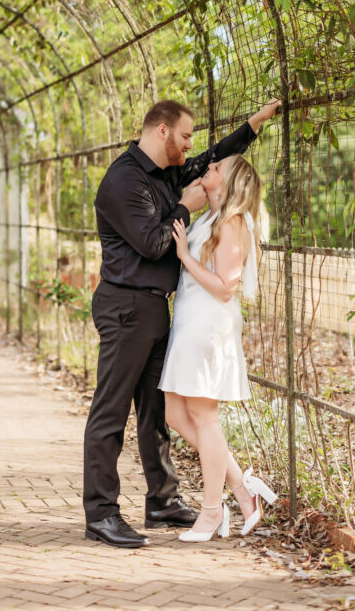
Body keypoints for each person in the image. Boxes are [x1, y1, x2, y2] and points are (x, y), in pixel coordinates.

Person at [83, 97, 281, 548]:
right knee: (111, 410)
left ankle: (163, 501)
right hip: (125, 306)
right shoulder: (123, 182)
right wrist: (185, 207)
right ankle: (101, 512)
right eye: (186, 136)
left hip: (157, 308)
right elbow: (155, 244)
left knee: (157, 412)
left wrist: (253, 124)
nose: (192, 146)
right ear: (162, 132)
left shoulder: (165, 173)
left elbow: (216, 157)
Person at [160, 155, 278, 542]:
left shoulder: (232, 222)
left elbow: (226, 286)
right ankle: (243, 489)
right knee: (176, 413)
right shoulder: (211, 218)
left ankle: (212, 512)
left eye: (218, 167)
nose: (210, 165)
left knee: (203, 417)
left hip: (209, 326)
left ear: (228, 183)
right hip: (190, 322)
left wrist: (183, 258)